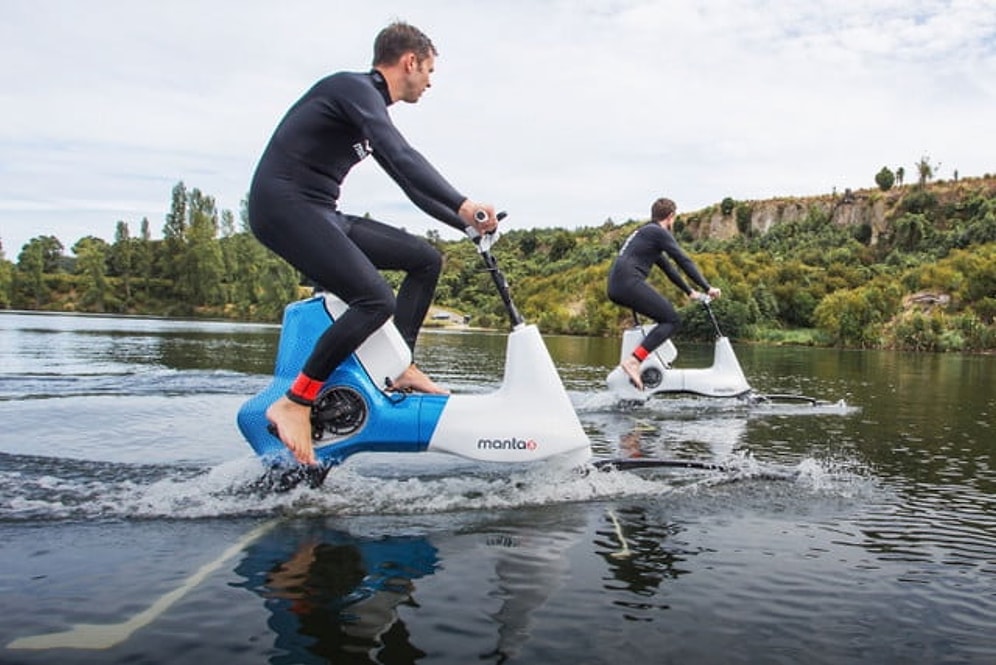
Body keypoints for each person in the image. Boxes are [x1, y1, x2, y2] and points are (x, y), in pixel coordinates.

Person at [248, 21, 500, 465]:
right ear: (410, 61)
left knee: (424, 259)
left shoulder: (367, 111)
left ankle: (397, 366)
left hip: (321, 210)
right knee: (375, 300)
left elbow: (410, 185)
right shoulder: (353, 89)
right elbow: (403, 155)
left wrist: (465, 225)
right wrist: (464, 204)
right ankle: (296, 401)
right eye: (429, 71)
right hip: (284, 207)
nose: (430, 81)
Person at [606, 197, 721, 390]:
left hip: (617, 285)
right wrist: (707, 287)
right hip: (627, 282)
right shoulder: (658, 232)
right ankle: (634, 361)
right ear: (670, 217)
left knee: (665, 318)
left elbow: (669, 269)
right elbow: (683, 260)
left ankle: (640, 371)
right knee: (672, 320)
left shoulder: (646, 233)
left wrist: (690, 291)